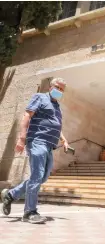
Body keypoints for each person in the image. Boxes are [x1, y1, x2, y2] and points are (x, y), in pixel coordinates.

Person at [1, 77, 70, 224]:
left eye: (62, 89)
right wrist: (22, 138)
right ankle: (30, 212)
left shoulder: (57, 106)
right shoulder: (39, 97)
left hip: (50, 145)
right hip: (37, 141)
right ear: (51, 86)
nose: (59, 91)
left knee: (41, 178)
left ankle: (11, 195)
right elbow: (27, 115)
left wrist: (64, 140)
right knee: (37, 176)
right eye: (57, 87)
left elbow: (56, 125)